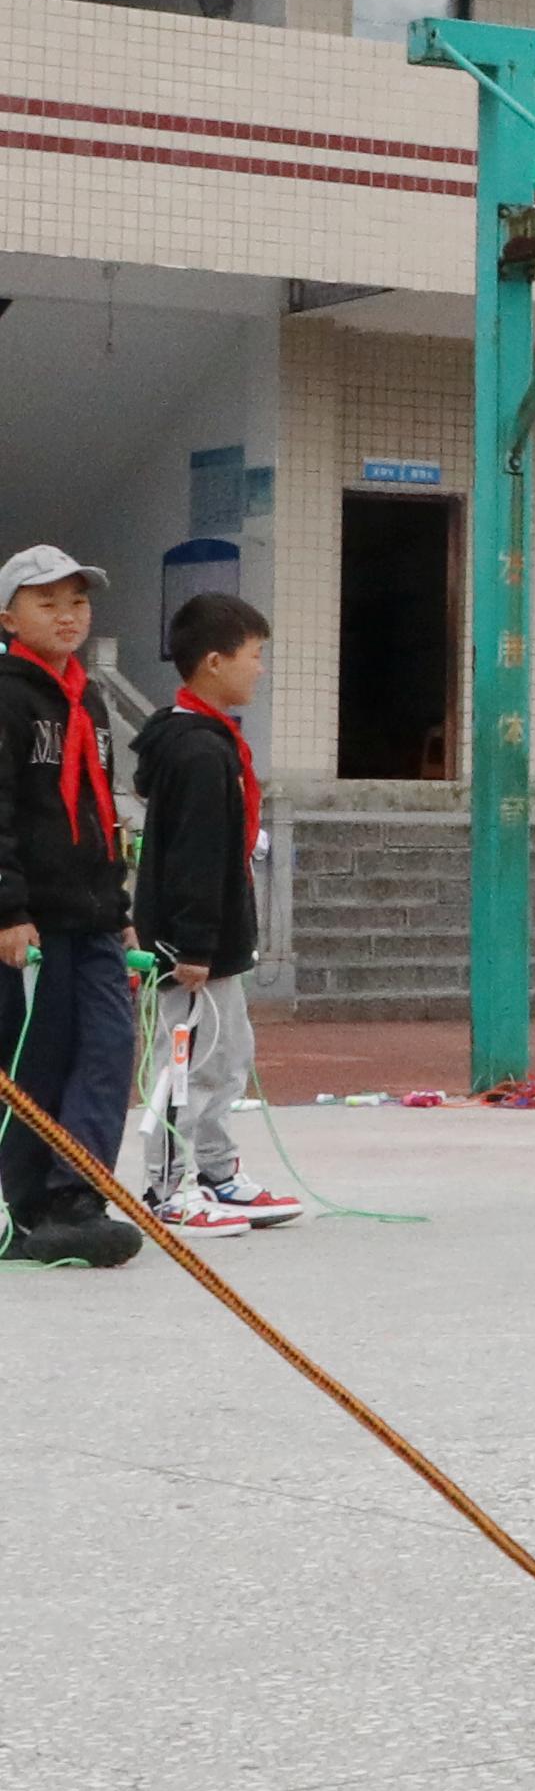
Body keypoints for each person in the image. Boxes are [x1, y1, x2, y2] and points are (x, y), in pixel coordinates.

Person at [127, 590, 299, 1237]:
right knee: (186, 1062)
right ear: (214, 661)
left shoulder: (211, 741)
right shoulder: (199, 753)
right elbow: (196, 856)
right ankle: (166, 1189)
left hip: (216, 940)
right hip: (190, 946)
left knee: (227, 1058)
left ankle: (218, 1171)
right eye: (254, 656)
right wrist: (194, 944)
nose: (261, 668)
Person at [0, 544, 142, 1270]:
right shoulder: (9, 695)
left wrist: (117, 903)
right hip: (33, 920)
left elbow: (97, 810)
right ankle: (23, 1208)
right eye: (47, 601)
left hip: (89, 912)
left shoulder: (86, 696)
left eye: (78, 601)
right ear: (8, 616)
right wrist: (7, 908)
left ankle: (76, 1192)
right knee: (39, 1059)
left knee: (113, 1046)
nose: (67, 614)